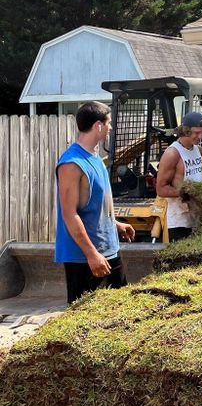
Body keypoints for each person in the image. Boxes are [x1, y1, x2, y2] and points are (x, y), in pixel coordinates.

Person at [55, 101, 135, 305]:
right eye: (108, 123)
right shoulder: (72, 164)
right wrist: (92, 254)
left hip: (110, 251)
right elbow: (69, 214)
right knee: (85, 323)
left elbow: (93, 204)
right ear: (98, 125)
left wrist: (114, 224)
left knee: (122, 312)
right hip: (85, 259)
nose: (110, 128)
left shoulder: (97, 159)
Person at [156, 111, 202, 242]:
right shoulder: (172, 154)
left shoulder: (198, 149)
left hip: (197, 217)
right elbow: (161, 189)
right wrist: (186, 193)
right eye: (197, 133)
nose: (200, 136)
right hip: (180, 222)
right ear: (185, 131)